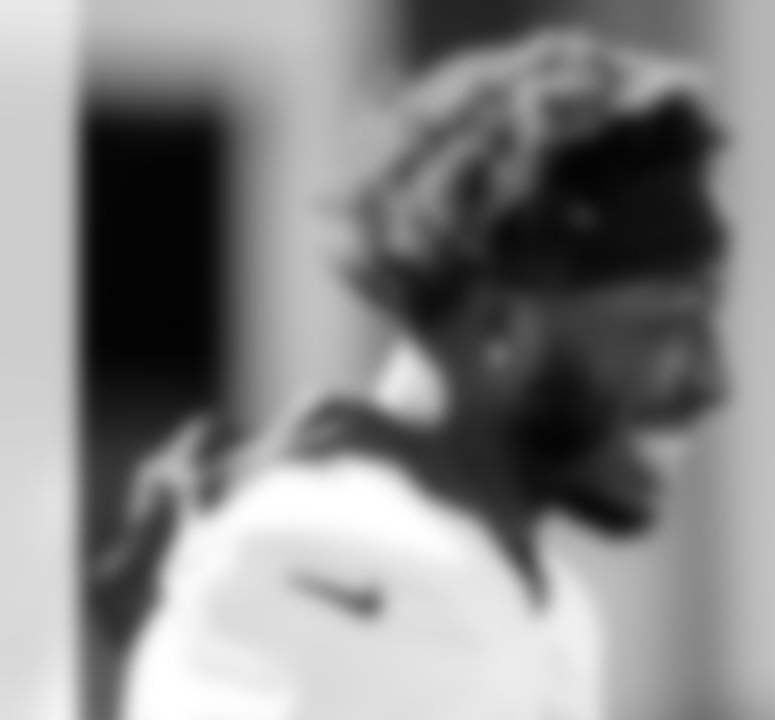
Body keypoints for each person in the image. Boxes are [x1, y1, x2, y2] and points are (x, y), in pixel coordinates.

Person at [106, 28, 729, 720]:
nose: (711, 382)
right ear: (500, 328)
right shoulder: (352, 560)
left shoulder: (547, 603)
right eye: (663, 325)